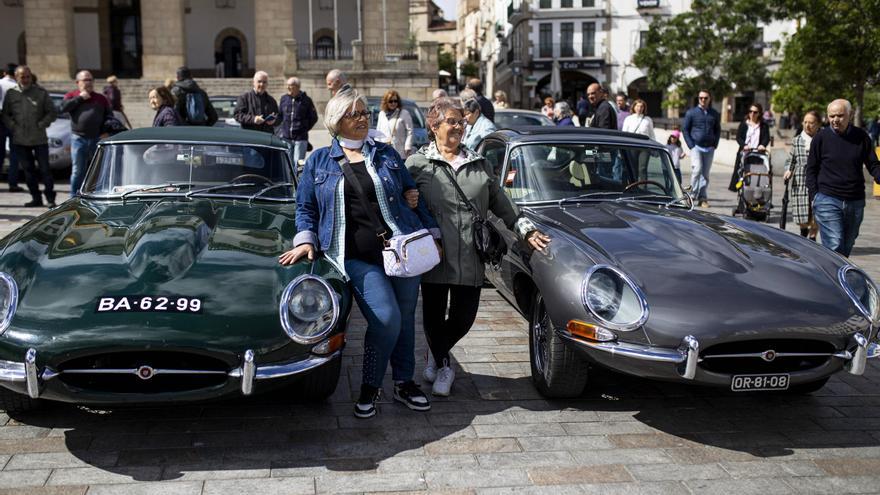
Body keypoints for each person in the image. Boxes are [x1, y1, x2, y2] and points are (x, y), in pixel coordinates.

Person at [279, 87, 438, 418]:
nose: (363, 119)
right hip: (355, 256)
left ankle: (405, 383)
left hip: (402, 249)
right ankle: (371, 384)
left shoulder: (385, 153)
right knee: (386, 317)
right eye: (355, 114)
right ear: (337, 121)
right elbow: (305, 205)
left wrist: (431, 231)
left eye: (365, 113)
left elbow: (411, 191)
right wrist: (305, 240)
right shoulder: (320, 160)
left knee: (405, 320)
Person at [406, 97, 550, 397]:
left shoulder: (478, 163)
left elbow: (502, 203)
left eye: (461, 121)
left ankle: (436, 353)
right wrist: (407, 200)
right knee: (432, 316)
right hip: (434, 254)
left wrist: (526, 230)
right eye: (452, 121)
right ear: (434, 126)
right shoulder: (417, 164)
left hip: (471, 254)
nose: (459, 126)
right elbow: (397, 200)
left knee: (463, 317)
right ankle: (445, 365)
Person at [805, 99, 880, 257]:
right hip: (827, 199)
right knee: (835, 244)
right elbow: (811, 169)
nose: (835, 120)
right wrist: (814, 196)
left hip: (855, 201)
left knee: (846, 245)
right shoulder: (821, 138)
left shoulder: (861, 137)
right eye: (831, 116)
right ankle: (832, 280)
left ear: (850, 115)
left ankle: (835, 278)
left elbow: (873, 164)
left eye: (839, 115)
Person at [0, 65, 56, 208]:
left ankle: (50, 198)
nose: (25, 79)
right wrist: (12, 126)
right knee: (28, 171)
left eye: (27, 76)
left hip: (39, 138)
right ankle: (35, 198)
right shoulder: (11, 94)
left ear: (31, 77)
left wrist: (42, 124)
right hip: (20, 139)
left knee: (45, 170)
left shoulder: (41, 93)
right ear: (16, 77)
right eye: (22, 77)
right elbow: (5, 114)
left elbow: (52, 112)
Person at [61, 70, 112, 195]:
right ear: (78, 82)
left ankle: (97, 195)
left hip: (97, 138)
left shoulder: (101, 98)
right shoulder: (71, 96)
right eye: (85, 80)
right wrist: (80, 98)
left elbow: (109, 117)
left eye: (90, 80)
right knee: (78, 171)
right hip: (78, 138)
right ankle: (73, 197)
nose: (88, 82)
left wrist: (106, 131)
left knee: (99, 170)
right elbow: (63, 108)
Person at [784, 111, 821, 240]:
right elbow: (791, 159)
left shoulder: (821, 139)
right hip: (799, 180)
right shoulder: (797, 140)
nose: (807, 125)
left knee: (817, 209)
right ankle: (804, 232)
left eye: (811, 123)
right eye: (805, 122)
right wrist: (788, 170)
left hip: (818, 179)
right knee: (802, 212)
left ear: (817, 124)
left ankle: (812, 236)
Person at [681, 89, 721, 208]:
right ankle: (692, 196)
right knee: (697, 170)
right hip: (696, 147)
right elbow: (685, 129)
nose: (703, 100)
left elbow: (717, 129)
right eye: (701, 98)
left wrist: (715, 144)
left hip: (709, 148)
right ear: (698, 99)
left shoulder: (714, 113)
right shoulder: (691, 113)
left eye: (705, 98)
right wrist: (691, 145)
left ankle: (703, 197)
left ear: (709, 99)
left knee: (705, 174)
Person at [728, 102, 770, 193]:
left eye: (755, 112)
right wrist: (744, 145)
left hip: (757, 154)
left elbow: (766, 138)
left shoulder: (764, 126)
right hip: (745, 153)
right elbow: (738, 137)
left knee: (756, 173)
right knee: (742, 173)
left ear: (759, 113)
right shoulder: (744, 124)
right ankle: (741, 193)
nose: (752, 114)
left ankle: (757, 192)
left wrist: (762, 145)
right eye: (750, 111)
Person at [278, 76, 318, 166]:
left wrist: (304, 127)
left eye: (290, 85)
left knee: (298, 163)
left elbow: (313, 117)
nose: (288, 87)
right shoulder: (284, 99)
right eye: (287, 85)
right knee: (287, 163)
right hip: (286, 137)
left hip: (300, 138)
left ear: (297, 87)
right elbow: (280, 115)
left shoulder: (306, 100)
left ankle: (298, 180)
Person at [0, 64, 22, 192]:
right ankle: (12, 183)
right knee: (14, 154)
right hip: (14, 120)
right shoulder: (17, 86)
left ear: (4, 73)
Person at [376, 89, 414, 158]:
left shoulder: (404, 113)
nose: (393, 103)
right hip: (384, 151)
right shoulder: (382, 114)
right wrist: (377, 147)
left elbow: (410, 131)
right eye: (390, 101)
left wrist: (407, 146)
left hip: (400, 151)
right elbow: (378, 132)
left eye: (395, 101)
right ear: (386, 102)